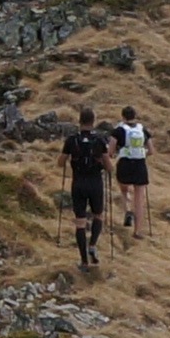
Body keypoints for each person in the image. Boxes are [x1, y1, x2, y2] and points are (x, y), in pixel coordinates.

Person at [58, 106, 115, 268]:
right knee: (98, 216)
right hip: (95, 183)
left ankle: (83, 261)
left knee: (80, 222)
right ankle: (92, 246)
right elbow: (109, 167)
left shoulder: (71, 140)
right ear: (93, 121)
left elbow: (60, 163)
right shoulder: (100, 140)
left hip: (78, 184)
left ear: (80, 120)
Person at [112, 108, 151, 236]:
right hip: (140, 164)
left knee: (124, 188)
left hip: (124, 164)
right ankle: (138, 231)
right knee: (139, 199)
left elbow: (110, 151)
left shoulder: (119, 130)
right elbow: (151, 150)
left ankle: (128, 210)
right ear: (135, 116)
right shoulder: (142, 129)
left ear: (123, 117)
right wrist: (142, 153)